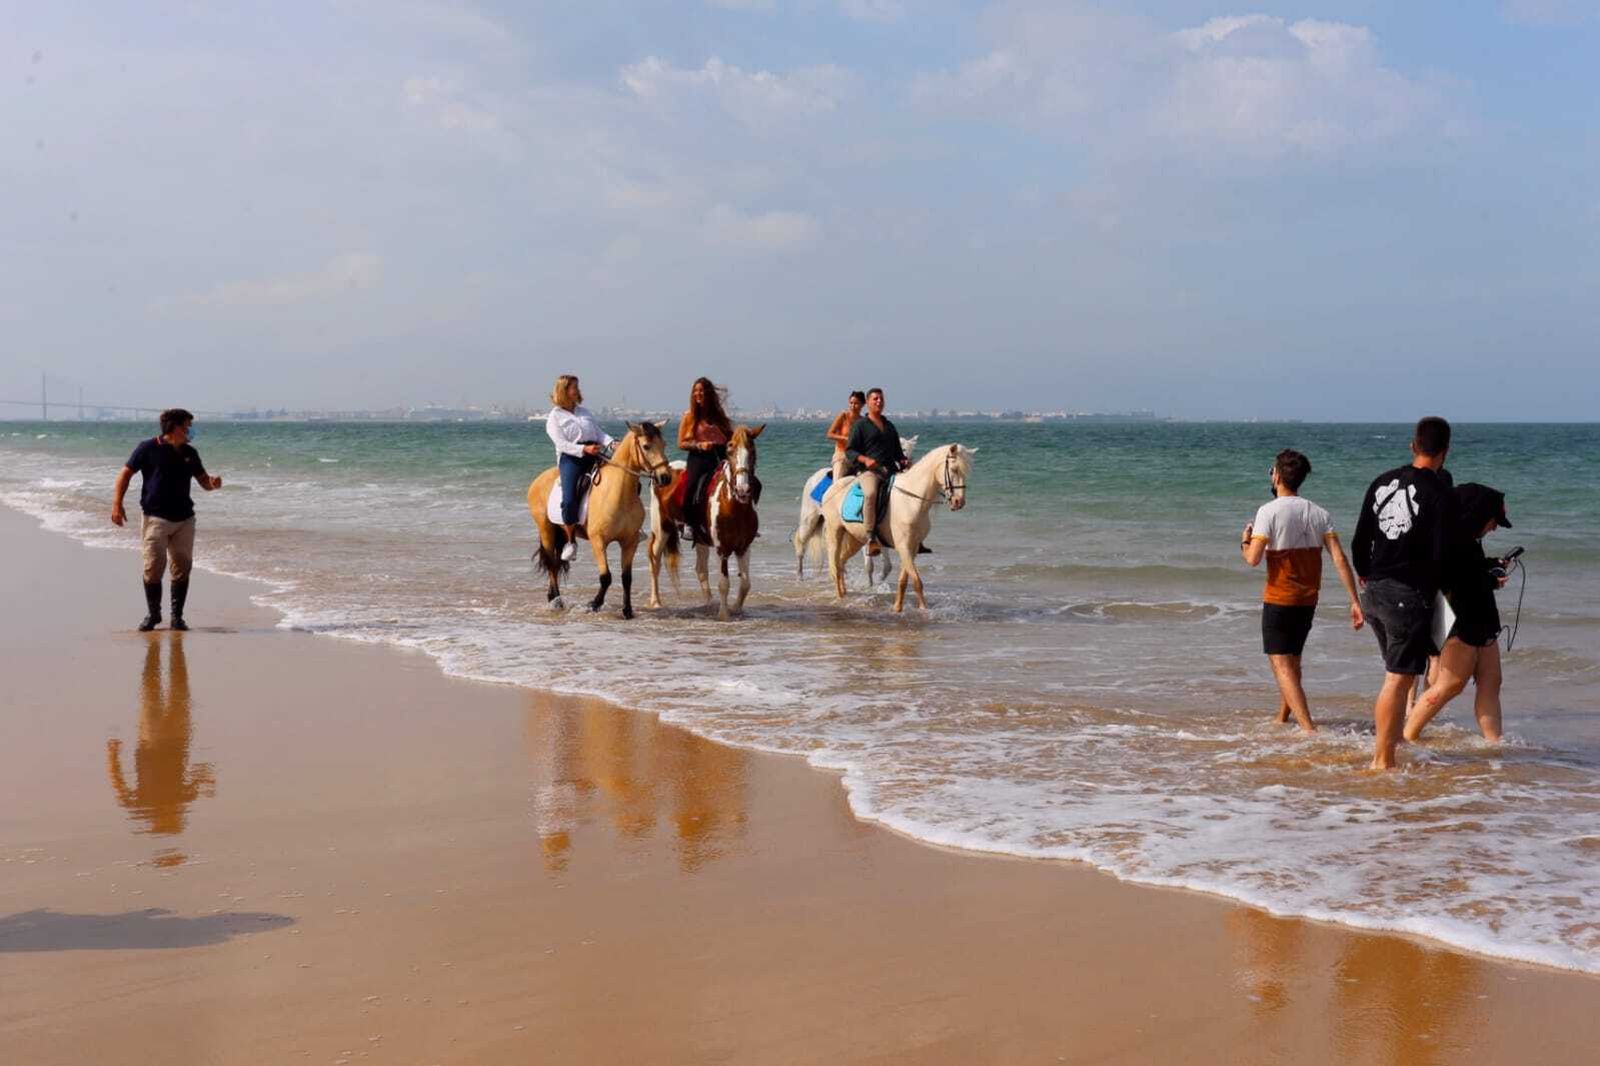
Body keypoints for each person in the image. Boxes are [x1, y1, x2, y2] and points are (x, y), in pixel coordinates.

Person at [1351, 416, 1456, 770]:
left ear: (1413, 445)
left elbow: (1359, 540)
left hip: (1375, 591)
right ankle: (1382, 760)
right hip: (1406, 595)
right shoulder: (1440, 492)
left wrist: (1367, 575)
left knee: (1398, 674)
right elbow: (1443, 554)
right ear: (1445, 451)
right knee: (1397, 678)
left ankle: (1390, 747)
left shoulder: (1382, 481)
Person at [1241, 449, 1364, 733]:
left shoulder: (1267, 511)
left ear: (1277, 475)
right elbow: (1338, 558)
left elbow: (1253, 559)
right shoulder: (1319, 512)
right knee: (1293, 662)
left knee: (1281, 664)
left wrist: (1244, 542)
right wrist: (1354, 601)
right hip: (1308, 599)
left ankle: (1308, 729)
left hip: (1280, 597)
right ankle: (1283, 718)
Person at [1404, 484, 1513, 743]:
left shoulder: (1468, 539)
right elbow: (1455, 580)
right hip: (1458, 619)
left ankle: (1494, 744)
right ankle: (1406, 736)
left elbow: (1471, 570)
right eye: (1494, 520)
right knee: (1450, 684)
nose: (1495, 527)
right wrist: (1490, 581)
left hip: (1482, 618)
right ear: (1478, 514)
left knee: (1492, 681)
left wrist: (1493, 564)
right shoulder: (1449, 539)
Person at [110, 408, 222, 631]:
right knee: (153, 568)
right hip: (155, 518)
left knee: (182, 567)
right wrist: (117, 504)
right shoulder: (148, 448)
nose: (191, 430)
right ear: (176, 427)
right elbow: (125, 473)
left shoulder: (190, 452)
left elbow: (203, 481)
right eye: (188, 425)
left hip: (185, 520)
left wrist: (213, 483)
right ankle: (153, 615)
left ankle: (177, 617)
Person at [545, 374, 614, 562]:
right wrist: (583, 449)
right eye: (574, 387)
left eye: (577, 387)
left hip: (594, 453)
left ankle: (631, 526)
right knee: (568, 499)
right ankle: (570, 541)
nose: (578, 390)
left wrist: (612, 443)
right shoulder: (554, 417)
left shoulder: (584, 412)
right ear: (564, 390)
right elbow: (561, 443)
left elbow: (599, 433)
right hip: (571, 458)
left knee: (622, 478)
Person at [843, 387, 909, 556]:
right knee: (871, 494)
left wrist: (903, 460)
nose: (879, 401)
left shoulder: (889, 426)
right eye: (875, 399)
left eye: (881, 399)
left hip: (891, 470)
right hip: (869, 472)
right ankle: (871, 538)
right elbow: (850, 451)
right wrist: (865, 460)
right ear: (868, 403)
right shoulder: (860, 426)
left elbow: (897, 451)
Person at [826, 391, 866, 482]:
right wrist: (845, 438)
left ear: (863, 405)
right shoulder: (843, 416)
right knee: (837, 483)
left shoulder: (863, 421)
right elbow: (829, 434)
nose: (853, 406)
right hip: (842, 455)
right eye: (851, 403)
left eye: (856, 403)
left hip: (857, 457)